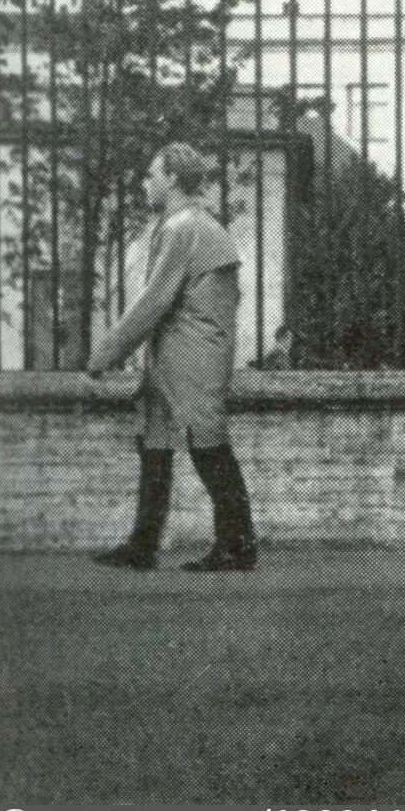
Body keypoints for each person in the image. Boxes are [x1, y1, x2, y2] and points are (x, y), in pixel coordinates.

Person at [84, 143, 260, 572]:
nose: (146, 182)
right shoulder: (188, 224)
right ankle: (143, 545)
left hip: (193, 353)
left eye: (152, 175)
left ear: (174, 179)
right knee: (155, 442)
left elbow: (154, 301)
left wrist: (106, 353)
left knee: (208, 444)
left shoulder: (185, 226)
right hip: (176, 349)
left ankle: (237, 546)